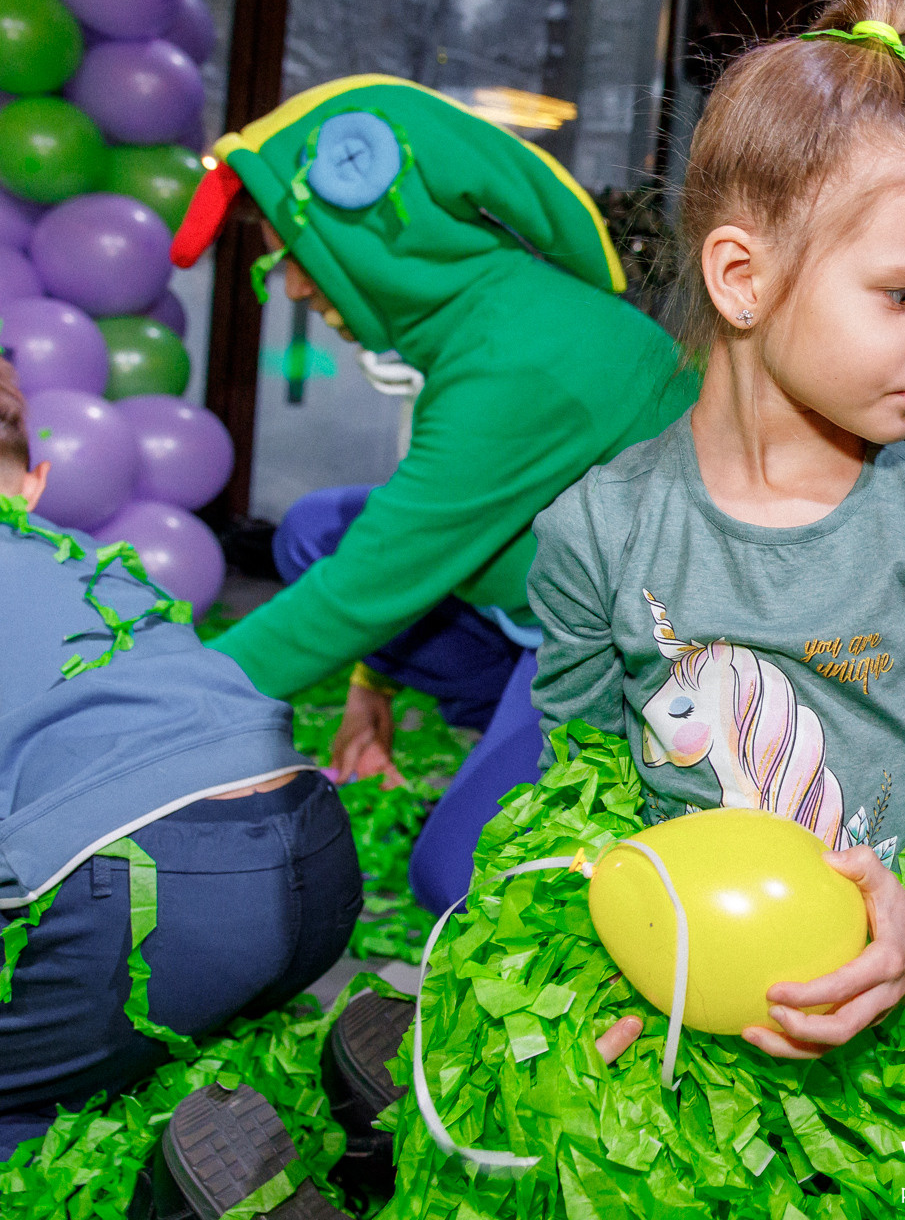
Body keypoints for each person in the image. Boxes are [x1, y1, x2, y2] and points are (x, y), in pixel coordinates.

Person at [528, 0, 905, 1061]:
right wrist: (596, 959)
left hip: (893, 1003)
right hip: (672, 1006)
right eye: (903, 293)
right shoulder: (597, 531)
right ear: (743, 277)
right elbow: (573, 790)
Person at [168, 76, 697, 912]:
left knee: (456, 880)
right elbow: (408, 541)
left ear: (378, 234)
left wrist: (153, 706)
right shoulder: (489, 314)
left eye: (298, 256)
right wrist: (366, 688)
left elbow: (371, 585)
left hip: (642, 661)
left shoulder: (520, 358)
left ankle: (616, 766)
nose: (296, 289)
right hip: (557, 602)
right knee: (313, 528)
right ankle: (511, 728)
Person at [0, 359, 362, 1161]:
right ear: (32, 484)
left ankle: (148, 1189)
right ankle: (337, 1101)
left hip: (148, 891)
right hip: (317, 850)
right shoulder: (87, 564)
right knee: (164, 1027)